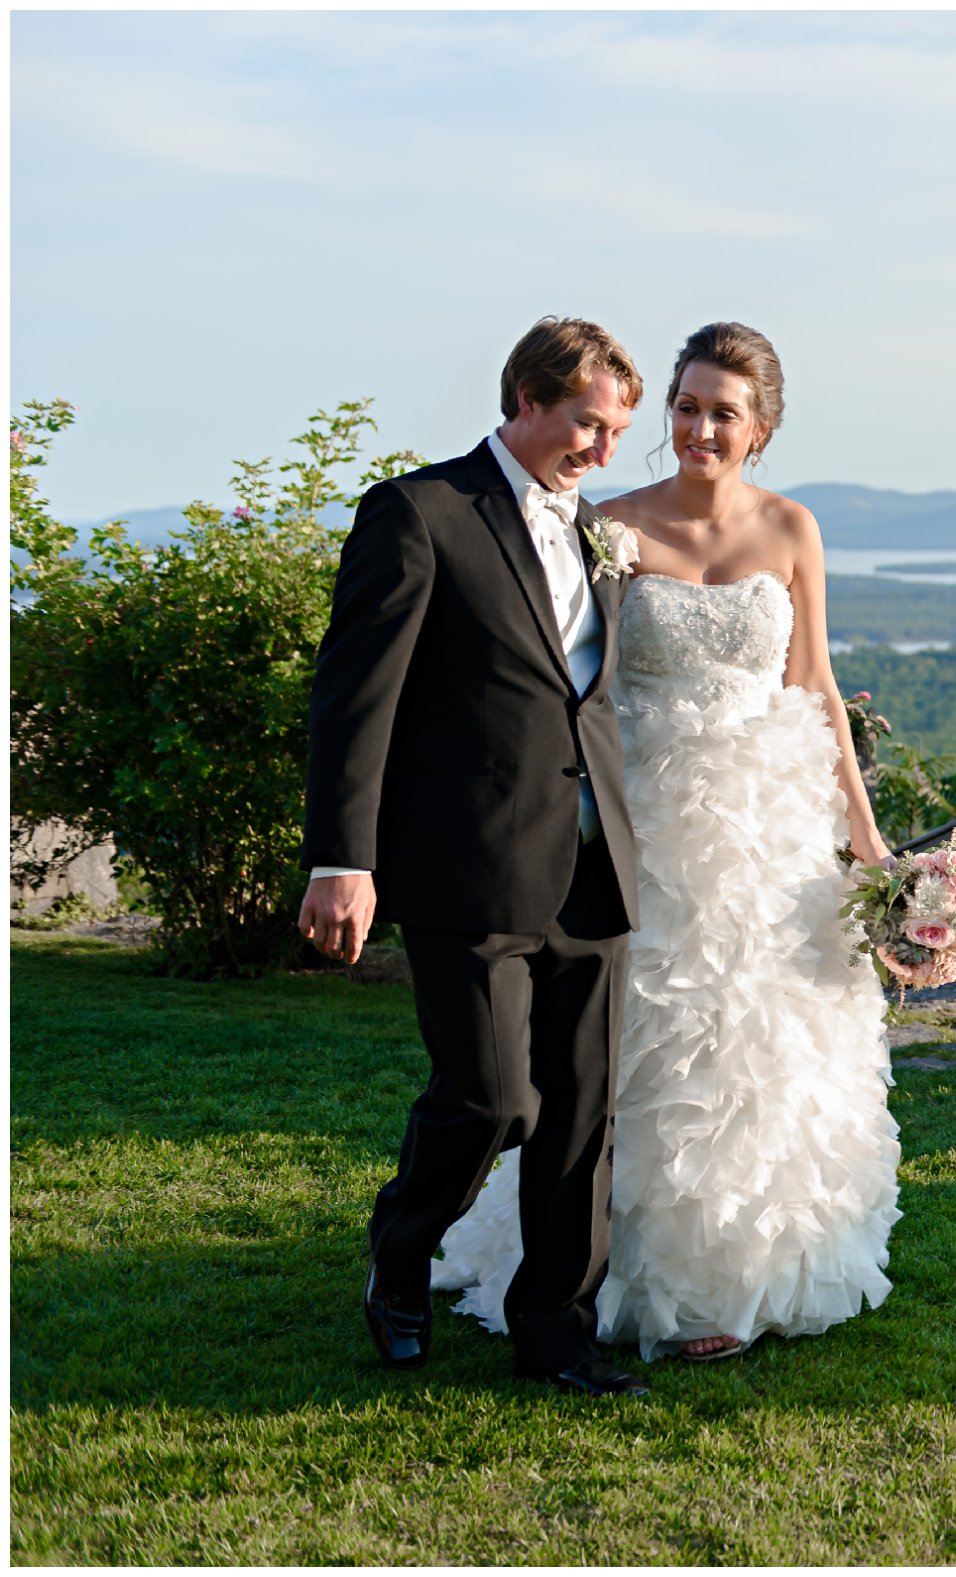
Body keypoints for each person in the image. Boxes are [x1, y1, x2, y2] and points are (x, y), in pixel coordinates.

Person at [431, 321, 902, 1362]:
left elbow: (814, 685)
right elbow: (565, 678)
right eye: (685, 406)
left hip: (769, 832)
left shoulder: (791, 528)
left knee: (758, 1046)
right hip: (640, 821)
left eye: (720, 411)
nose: (696, 427)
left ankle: (738, 1275)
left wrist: (866, 845)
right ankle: (605, 1267)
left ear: (760, 427)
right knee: (641, 1049)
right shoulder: (606, 526)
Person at [301, 317, 652, 1397]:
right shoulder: (420, 513)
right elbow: (355, 700)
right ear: (526, 399)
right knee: (494, 1097)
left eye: (614, 431)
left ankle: (557, 1335)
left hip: (596, 864)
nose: (601, 450)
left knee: (580, 1118)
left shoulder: (595, 529)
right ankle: (399, 1251)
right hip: (467, 864)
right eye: (587, 423)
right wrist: (340, 859)